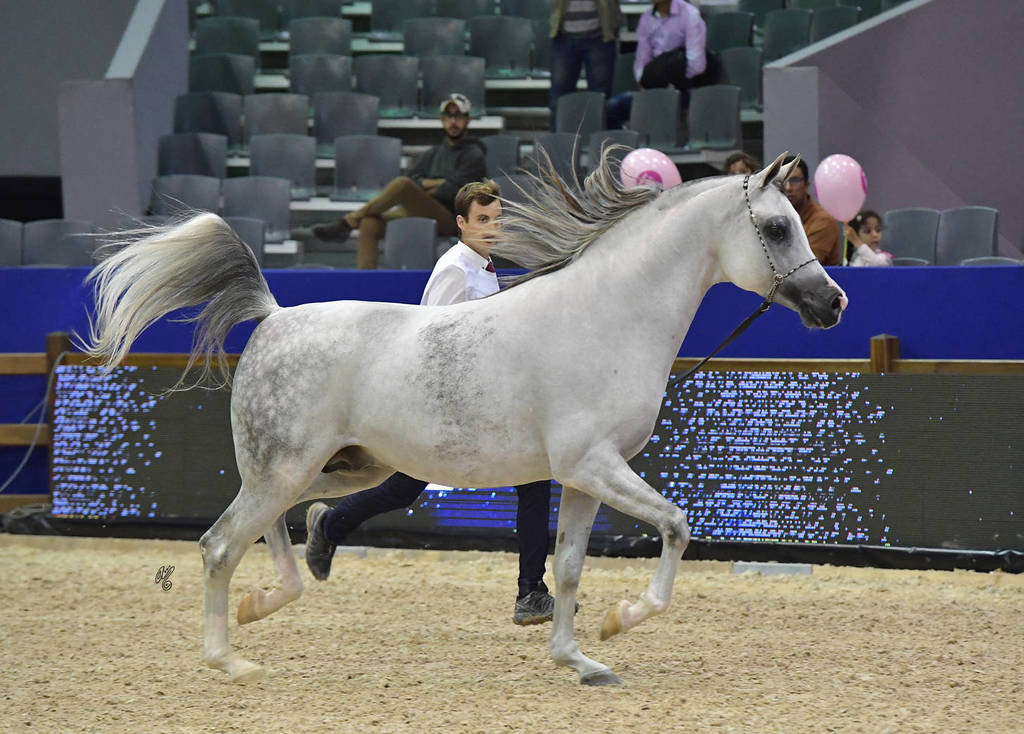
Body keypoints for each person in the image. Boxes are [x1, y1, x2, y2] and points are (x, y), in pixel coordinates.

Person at [305, 180, 560, 626]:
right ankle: (330, 526)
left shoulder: (485, 266)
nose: (491, 228)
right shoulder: (456, 268)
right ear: (461, 223)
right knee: (409, 487)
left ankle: (531, 591)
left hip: (485, 403)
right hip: (451, 407)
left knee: (529, 482)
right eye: (482, 220)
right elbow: (431, 341)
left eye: (496, 220)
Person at [312, 93, 487, 269]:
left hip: (452, 219)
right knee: (369, 223)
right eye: (449, 116)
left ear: (468, 119)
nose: (453, 121)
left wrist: (423, 187)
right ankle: (365, 282)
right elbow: (415, 179)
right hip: (421, 209)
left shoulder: (474, 154)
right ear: (442, 119)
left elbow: (452, 190)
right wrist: (435, 184)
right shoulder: (434, 153)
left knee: (402, 185)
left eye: (458, 116)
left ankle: (347, 222)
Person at [606, 0, 706, 129]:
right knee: (612, 108)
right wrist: (644, 83)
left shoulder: (690, 15)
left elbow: (696, 64)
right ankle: (622, 146)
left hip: (684, 87)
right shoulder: (646, 19)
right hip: (653, 86)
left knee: (672, 101)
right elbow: (641, 59)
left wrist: (674, 82)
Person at [549, 0, 624, 128]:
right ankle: (558, 144)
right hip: (564, 34)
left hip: (601, 35)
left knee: (600, 98)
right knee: (560, 98)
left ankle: (599, 144)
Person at [782, 156, 841, 266]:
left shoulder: (823, 220)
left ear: (806, 185)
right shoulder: (776, 218)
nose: (788, 187)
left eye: (794, 180)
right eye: (783, 181)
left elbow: (804, 265)